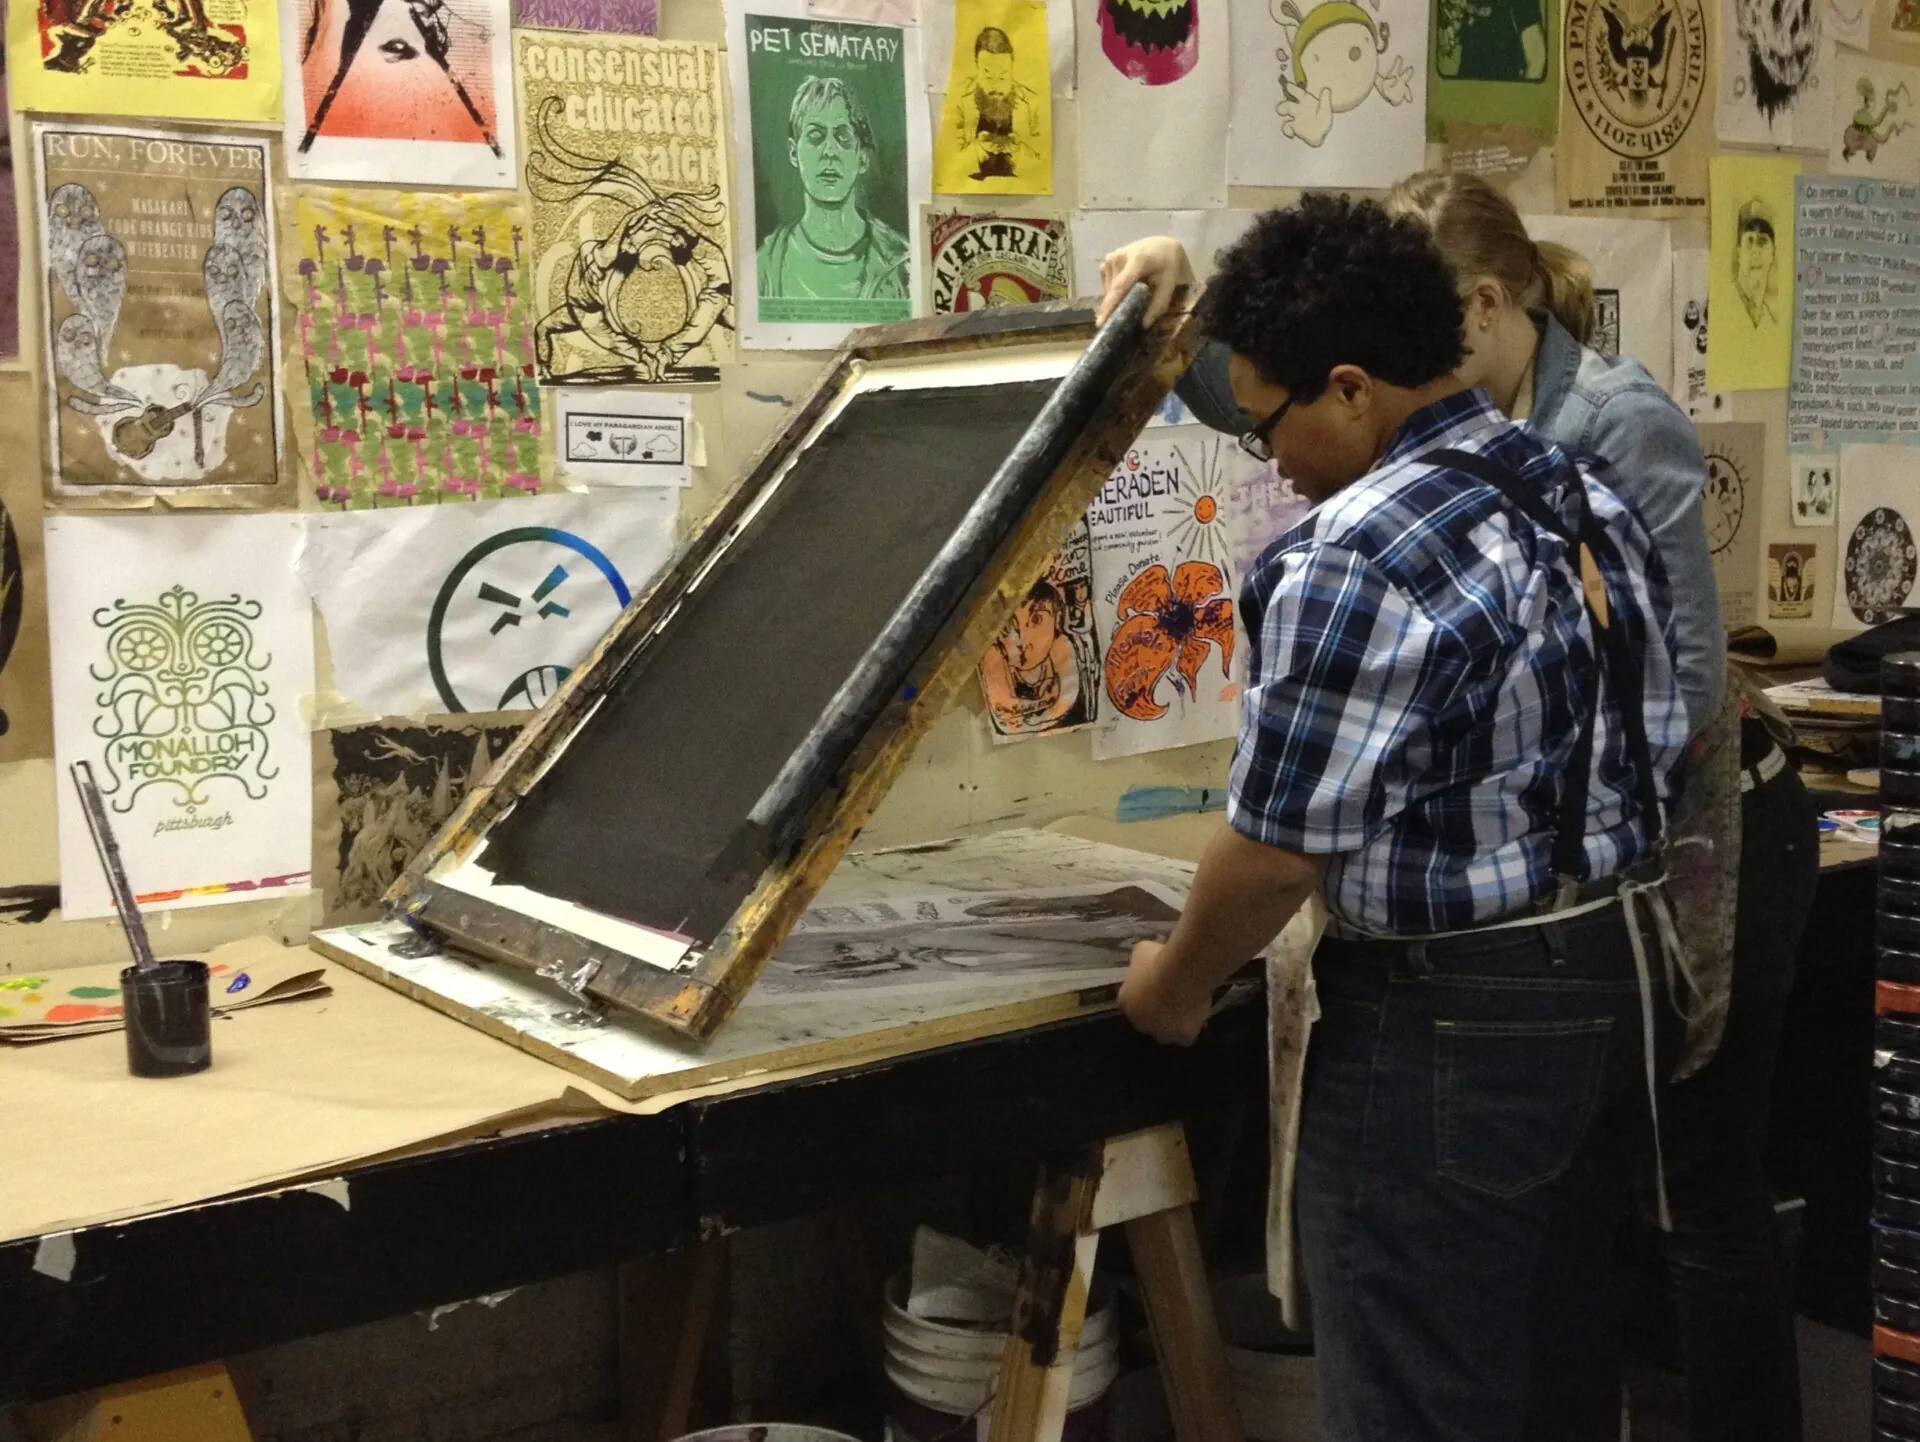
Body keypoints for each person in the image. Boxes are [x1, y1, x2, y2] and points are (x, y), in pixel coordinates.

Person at [1098, 169, 1821, 1442]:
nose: (1264, 452)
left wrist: (1175, 982)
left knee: (1422, 1390)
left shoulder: (1352, 550)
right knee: (1546, 1372)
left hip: (1446, 1024)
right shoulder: (1569, 483)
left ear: (1352, 389)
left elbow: (1274, 852)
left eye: (1267, 423)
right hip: (1602, 976)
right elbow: (1660, 720)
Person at [756, 75, 909, 302]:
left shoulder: (901, 263)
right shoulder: (766, 265)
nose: (830, 151)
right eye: (816, 136)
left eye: (843, 137)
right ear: (793, 152)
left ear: (862, 158)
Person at [950, 27, 1043, 181]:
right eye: (987, 75)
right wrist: (978, 150)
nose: (995, 86)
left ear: (1011, 66)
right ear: (976, 66)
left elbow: (1045, 164)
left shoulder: (1031, 103)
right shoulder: (958, 100)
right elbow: (947, 162)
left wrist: (1018, 151)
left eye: (1002, 76)